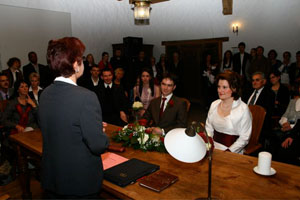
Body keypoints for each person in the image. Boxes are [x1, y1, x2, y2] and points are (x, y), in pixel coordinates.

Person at [39, 37, 109, 198]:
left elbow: (64, 128)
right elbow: (98, 145)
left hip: (53, 178)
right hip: (79, 182)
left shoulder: (45, 93)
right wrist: (99, 132)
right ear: (76, 64)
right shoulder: (86, 97)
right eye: (82, 60)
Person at [205, 71, 252, 154]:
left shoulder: (243, 109)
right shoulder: (214, 104)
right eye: (219, 87)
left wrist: (229, 151)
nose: (220, 90)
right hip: (213, 149)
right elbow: (208, 128)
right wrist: (209, 145)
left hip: (233, 152)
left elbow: (245, 137)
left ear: (234, 88)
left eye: (224, 87)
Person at [243, 71, 275, 145]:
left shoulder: (269, 94)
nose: (254, 82)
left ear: (264, 81)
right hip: (244, 121)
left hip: (259, 125)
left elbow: (267, 114)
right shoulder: (248, 91)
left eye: (257, 80)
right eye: (253, 80)